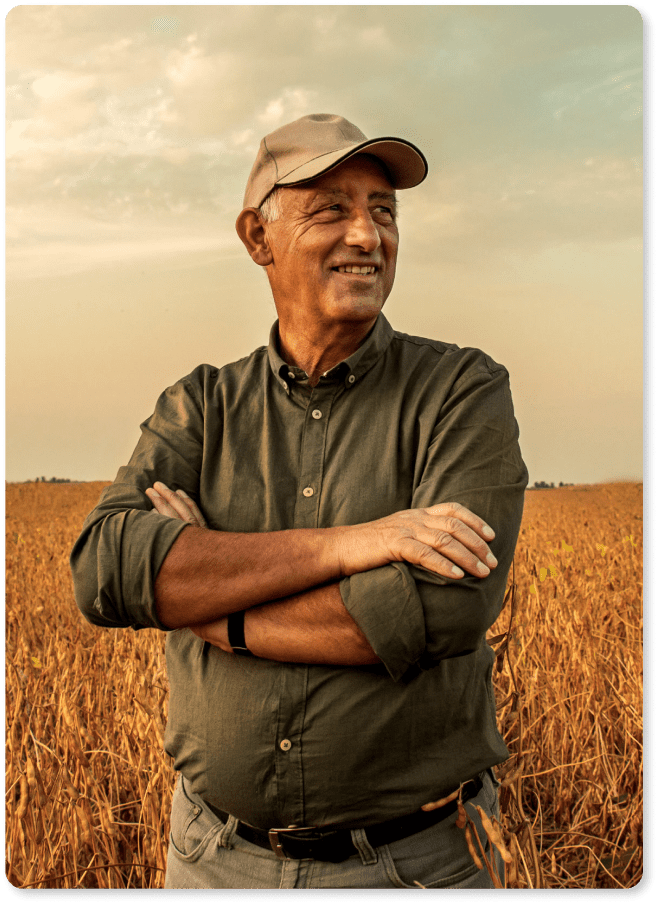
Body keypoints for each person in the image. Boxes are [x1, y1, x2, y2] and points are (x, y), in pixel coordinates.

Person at [71, 113, 528, 890]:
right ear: (258, 238)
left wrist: (210, 607)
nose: (368, 235)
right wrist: (359, 542)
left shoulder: (463, 391)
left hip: (417, 865)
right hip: (213, 858)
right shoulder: (201, 407)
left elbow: (442, 606)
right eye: (332, 210)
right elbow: (107, 571)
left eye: (383, 211)